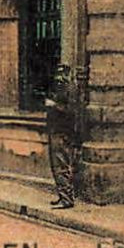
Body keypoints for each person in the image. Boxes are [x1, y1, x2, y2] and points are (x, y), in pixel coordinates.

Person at [44, 64, 82, 209]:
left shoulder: (70, 89)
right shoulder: (61, 88)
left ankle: (66, 199)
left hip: (63, 132)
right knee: (57, 165)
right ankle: (63, 196)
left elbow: (71, 111)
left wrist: (53, 105)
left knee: (61, 165)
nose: (59, 78)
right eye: (58, 75)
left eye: (62, 74)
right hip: (56, 130)